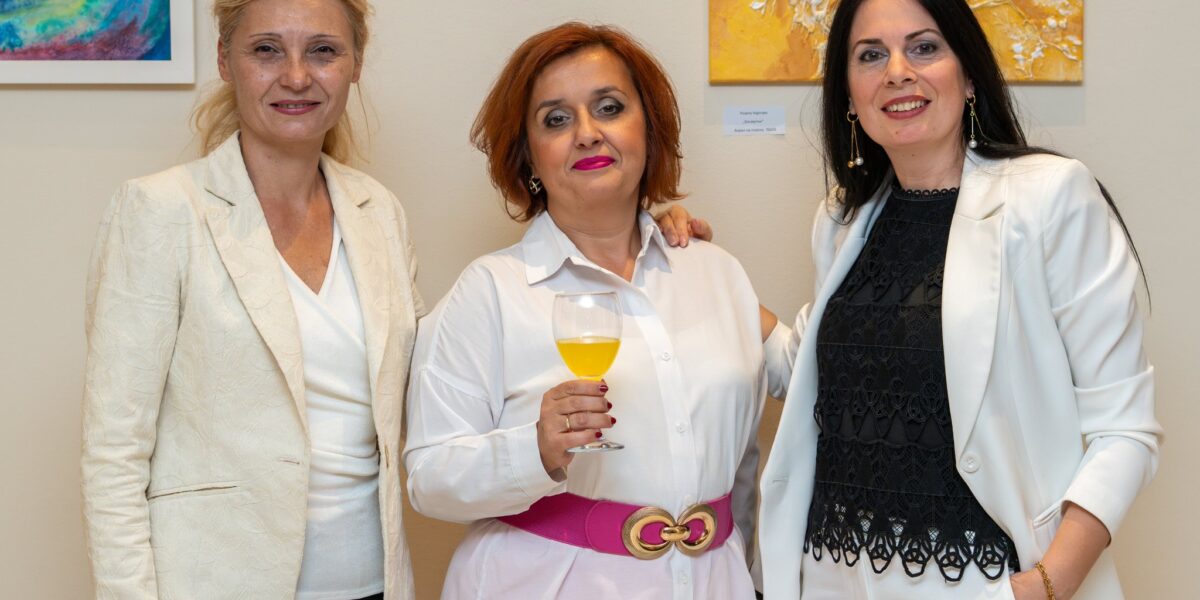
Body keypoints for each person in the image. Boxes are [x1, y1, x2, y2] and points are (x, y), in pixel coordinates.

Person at [740, 0, 1162, 598]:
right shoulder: (841, 219)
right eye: (870, 55)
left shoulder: (1049, 198)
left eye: (924, 47)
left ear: (968, 76)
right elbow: (812, 371)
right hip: (833, 574)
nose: (897, 71)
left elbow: (1125, 432)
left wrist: (1044, 586)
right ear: (849, 96)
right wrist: (700, 272)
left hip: (983, 580)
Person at [402, 22, 785, 599]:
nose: (587, 133)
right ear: (529, 157)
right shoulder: (490, 291)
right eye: (556, 119)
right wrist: (533, 449)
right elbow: (428, 480)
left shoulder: (716, 271)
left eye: (609, 108)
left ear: (648, 131)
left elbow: (800, 394)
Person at [80, 1, 423, 598]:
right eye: (266, 50)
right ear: (225, 60)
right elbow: (114, 451)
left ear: (356, 64)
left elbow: (428, 394)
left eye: (323, 50)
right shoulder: (162, 210)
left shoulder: (379, 212)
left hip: (372, 582)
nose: (296, 76)